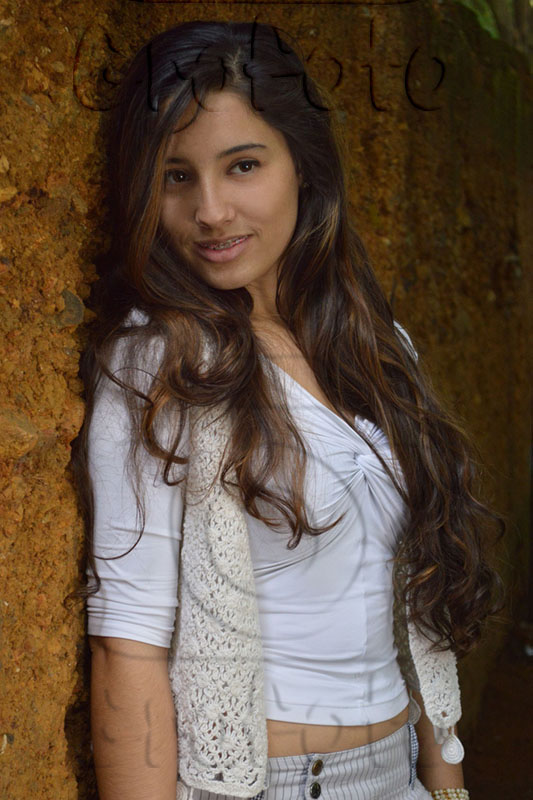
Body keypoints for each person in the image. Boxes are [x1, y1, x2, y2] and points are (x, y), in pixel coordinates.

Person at [73, 19, 503, 800]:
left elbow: (412, 599)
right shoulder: (161, 364)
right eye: (175, 176)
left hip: (399, 773)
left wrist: (443, 774)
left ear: (302, 164)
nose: (210, 211)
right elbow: (126, 646)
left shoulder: (376, 348)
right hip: (269, 783)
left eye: (242, 165)